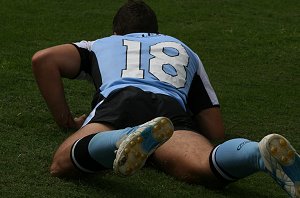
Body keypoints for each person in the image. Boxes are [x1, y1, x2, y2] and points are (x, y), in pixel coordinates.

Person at [31, 0, 300, 197]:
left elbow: (43, 60)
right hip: (170, 110)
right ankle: (257, 153)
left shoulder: (100, 44)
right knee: (203, 165)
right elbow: (215, 128)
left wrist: (66, 119)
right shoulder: (185, 50)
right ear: (157, 31)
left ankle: (121, 137)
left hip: (121, 100)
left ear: (117, 31)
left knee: (62, 162)